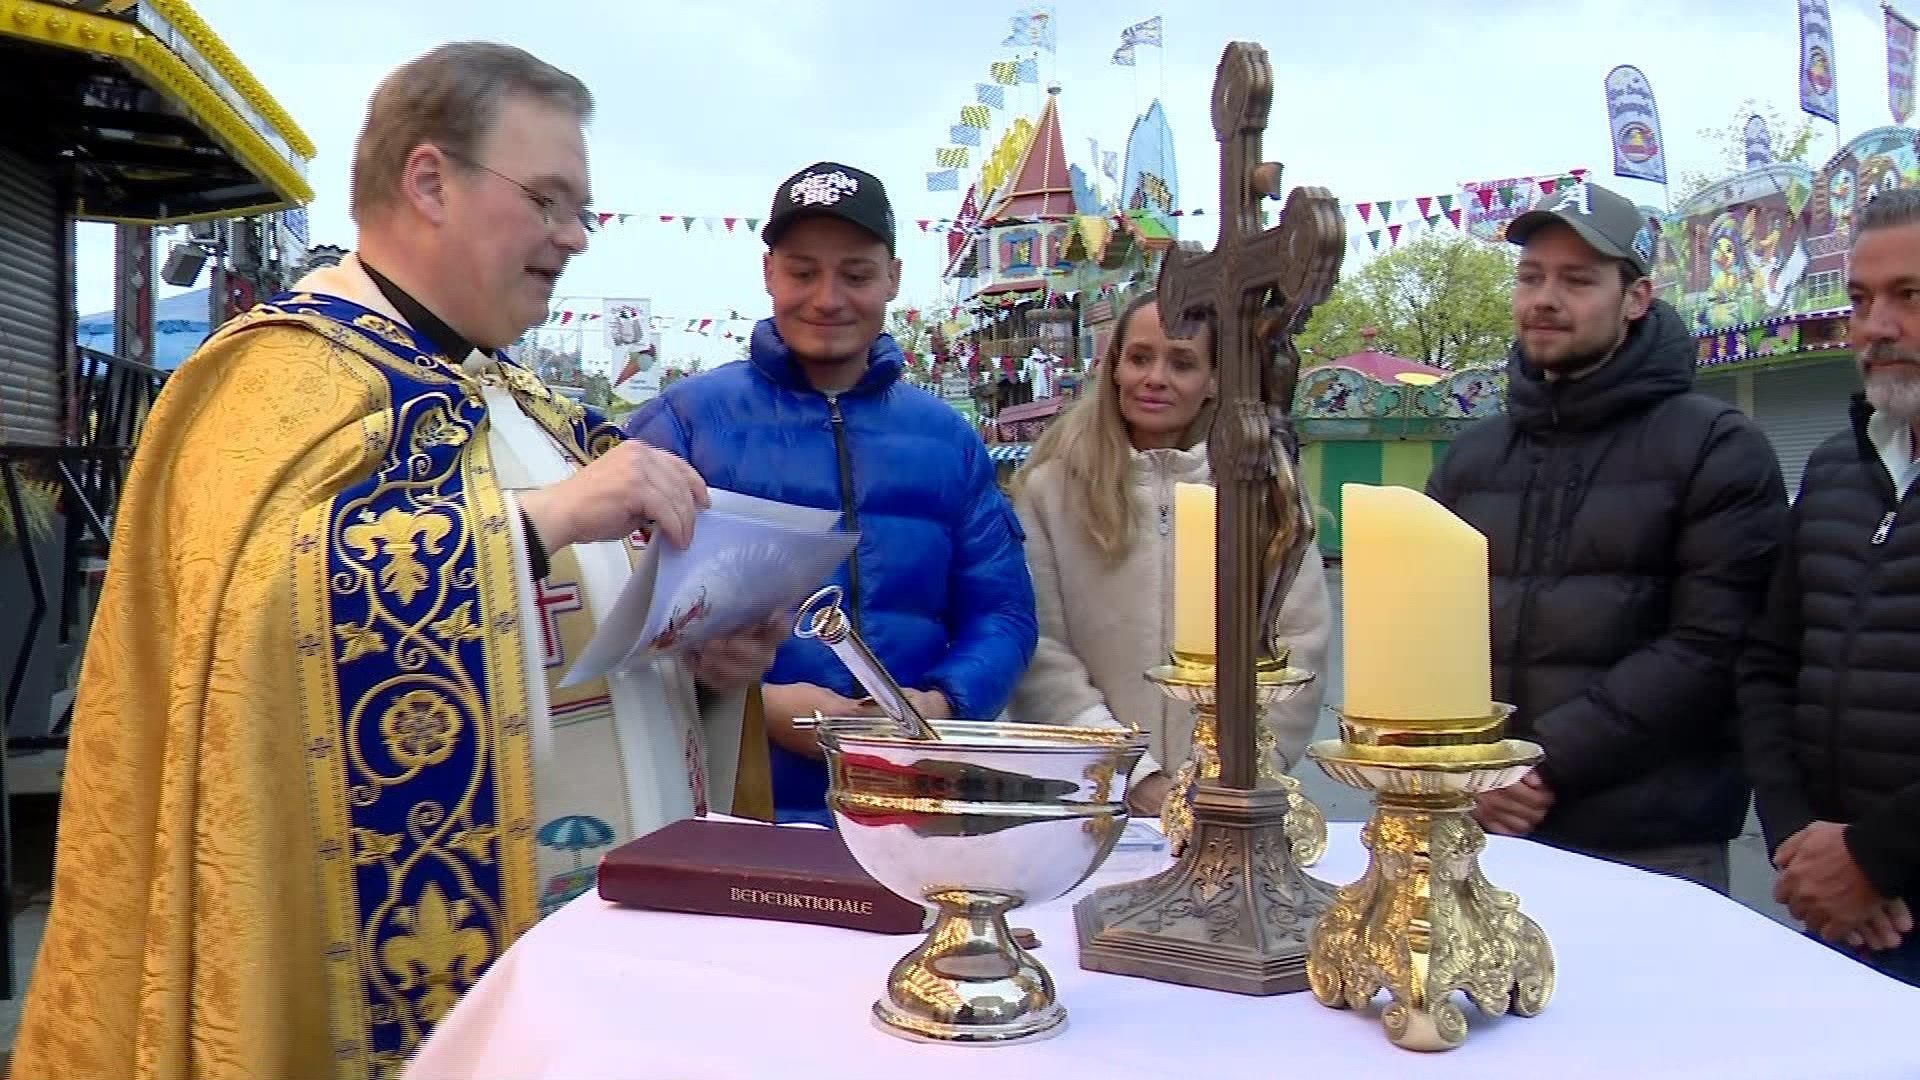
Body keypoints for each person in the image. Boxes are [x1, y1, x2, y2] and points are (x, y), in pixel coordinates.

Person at [12, 43, 786, 1079]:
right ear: (429, 180)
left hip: (619, 986)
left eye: (581, 210)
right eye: (549, 200)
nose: (572, 239)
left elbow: (587, 657)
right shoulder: (275, 379)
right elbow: (254, 632)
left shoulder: (528, 405)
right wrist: (536, 524)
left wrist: (701, 666)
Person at [624, 161, 1038, 825]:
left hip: (917, 813)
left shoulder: (947, 441)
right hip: (733, 815)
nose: (827, 298)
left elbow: (1006, 615)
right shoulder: (682, 425)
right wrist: (754, 702)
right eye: (802, 271)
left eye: (856, 274)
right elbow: (622, 621)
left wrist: (940, 703)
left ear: (893, 278)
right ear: (768, 273)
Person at [1424, 180, 1787, 893]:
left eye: (1577, 280)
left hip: (1650, 845)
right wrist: (1465, 768)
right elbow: (1424, 634)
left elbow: (1710, 648)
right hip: (1481, 829)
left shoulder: (1717, 448)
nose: (1545, 298)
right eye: (1531, 277)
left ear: (1637, 298)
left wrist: (1540, 762)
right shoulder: (1471, 461)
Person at [1006, 293, 1331, 813]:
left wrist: (1230, 778)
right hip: (1087, 800)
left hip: (1228, 803)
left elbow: (1298, 642)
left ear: (1215, 381)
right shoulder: (1050, 493)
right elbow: (1041, 651)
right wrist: (1133, 776)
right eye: (1139, 358)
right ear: (1114, 368)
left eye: (1182, 363)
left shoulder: (1263, 496)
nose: (1155, 378)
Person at [1740, 187, 1920, 986]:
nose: (1876, 327)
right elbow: (1769, 664)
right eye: (1860, 299)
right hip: (1840, 915)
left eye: (1910, 297)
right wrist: (1803, 842)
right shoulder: (1834, 469)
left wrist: (1874, 856)